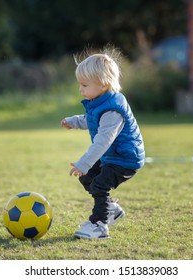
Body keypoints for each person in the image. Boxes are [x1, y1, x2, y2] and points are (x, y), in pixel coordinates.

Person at [61, 47, 145, 240]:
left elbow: (102, 141)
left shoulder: (112, 111)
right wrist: (73, 122)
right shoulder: (99, 102)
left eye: (84, 85)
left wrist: (83, 163)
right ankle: (111, 209)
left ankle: (99, 225)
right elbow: (90, 120)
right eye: (80, 84)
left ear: (103, 84)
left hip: (125, 159)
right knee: (87, 178)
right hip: (112, 156)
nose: (80, 89)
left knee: (99, 184)